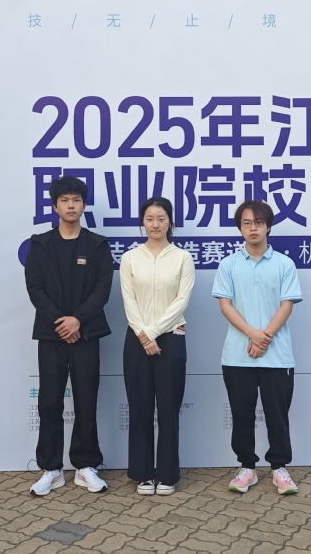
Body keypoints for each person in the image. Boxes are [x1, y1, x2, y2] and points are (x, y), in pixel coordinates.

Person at [25, 175, 113, 496]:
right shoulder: (40, 244)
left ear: (84, 205)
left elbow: (103, 289)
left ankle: (85, 466)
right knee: (49, 402)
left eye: (76, 200)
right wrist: (61, 323)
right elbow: (35, 288)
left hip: (86, 334)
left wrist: (78, 321)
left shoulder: (97, 245)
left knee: (86, 400)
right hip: (52, 336)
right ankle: (51, 469)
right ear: (55, 206)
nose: (71, 205)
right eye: (64, 200)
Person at [212, 200, 302, 495]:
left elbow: (286, 305)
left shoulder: (284, 264)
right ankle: (247, 468)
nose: (253, 228)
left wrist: (265, 337)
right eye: (247, 223)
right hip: (238, 356)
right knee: (242, 415)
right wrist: (253, 334)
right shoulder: (228, 264)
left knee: (278, 415)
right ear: (240, 228)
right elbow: (225, 305)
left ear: (268, 226)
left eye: (259, 222)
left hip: (277, 357)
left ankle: (279, 468)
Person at [119, 196, 195, 496]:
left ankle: (167, 474)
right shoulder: (130, 258)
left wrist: (152, 332)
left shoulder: (182, 258)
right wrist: (143, 334)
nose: (155, 224)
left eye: (161, 218)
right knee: (139, 408)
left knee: (168, 408)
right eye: (149, 218)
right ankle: (142, 474)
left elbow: (181, 301)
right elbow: (129, 300)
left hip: (170, 339)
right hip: (137, 340)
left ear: (170, 221)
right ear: (143, 222)